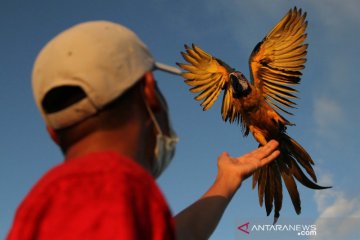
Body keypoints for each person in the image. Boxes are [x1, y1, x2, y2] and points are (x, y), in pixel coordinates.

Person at [7, 21, 280, 240]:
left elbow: (183, 233)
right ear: (149, 91)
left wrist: (227, 179)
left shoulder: (43, 208)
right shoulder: (109, 190)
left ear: (52, 132)